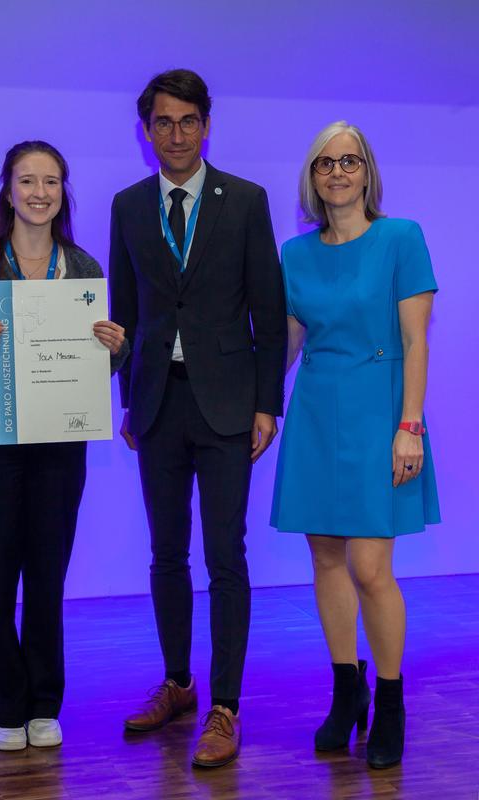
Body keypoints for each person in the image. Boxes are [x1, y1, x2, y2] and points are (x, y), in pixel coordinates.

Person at [109, 69, 287, 768]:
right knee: (165, 554)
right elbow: (121, 317)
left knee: (225, 556)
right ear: (145, 130)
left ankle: (225, 706)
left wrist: (266, 403)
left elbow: (268, 316)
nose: (176, 134)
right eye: (163, 122)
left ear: (206, 125)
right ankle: (179, 682)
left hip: (226, 405)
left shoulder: (244, 200)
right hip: (157, 402)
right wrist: (126, 394)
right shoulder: (127, 206)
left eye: (188, 121)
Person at [0, 140, 128, 751]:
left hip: (60, 442)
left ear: (64, 191)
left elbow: (97, 372)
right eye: (27, 181)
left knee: (48, 574)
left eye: (51, 182)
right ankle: (3, 706)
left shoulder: (87, 269)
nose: (39, 193)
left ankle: (44, 703)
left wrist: (114, 352)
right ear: (7, 189)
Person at [271, 121, 440, 769]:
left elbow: (417, 341)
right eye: (324, 164)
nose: (337, 172)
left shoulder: (402, 238)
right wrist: (254, 401)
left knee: (372, 570)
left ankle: (391, 700)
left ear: (367, 172)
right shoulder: (296, 253)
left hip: (381, 414)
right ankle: (348, 690)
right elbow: (286, 343)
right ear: (311, 178)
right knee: (327, 562)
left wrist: (411, 424)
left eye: (349, 161)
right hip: (316, 411)